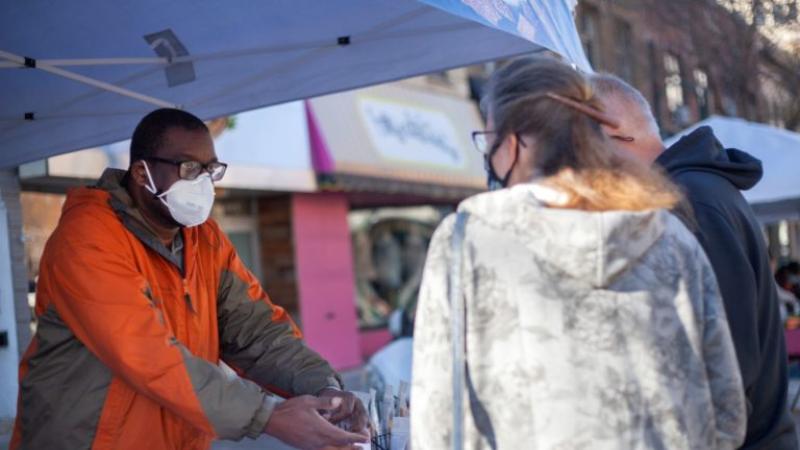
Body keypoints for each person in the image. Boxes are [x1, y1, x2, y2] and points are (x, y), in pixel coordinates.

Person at [411, 56, 745, 449]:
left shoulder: (468, 238)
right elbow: (727, 413)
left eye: (488, 141)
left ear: (515, 142)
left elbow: (437, 419)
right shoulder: (669, 234)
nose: (487, 157)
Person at [11, 109, 368, 450]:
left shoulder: (205, 240)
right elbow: (150, 355)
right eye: (189, 168)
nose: (201, 182)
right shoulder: (88, 240)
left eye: (210, 170)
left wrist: (324, 389)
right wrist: (268, 416)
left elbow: (257, 330)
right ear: (140, 172)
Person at [593, 73, 798, 449]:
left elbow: (723, 376)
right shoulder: (697, 193)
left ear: (615, 135)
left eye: (578, 152)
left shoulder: (686, 203)